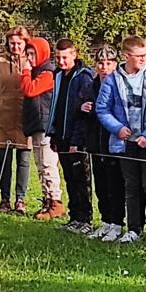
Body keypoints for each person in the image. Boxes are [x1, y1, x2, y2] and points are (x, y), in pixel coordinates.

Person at [95, 36, 146, 244]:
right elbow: (102, 109)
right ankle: (134, 229)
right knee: (131, 186)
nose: (143, 59)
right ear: (126, 56)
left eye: (144, 55)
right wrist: (117, 128)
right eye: (138, 56)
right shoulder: (112, 80)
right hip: (125, 143)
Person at [47, 39, 97, 234]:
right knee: (69, 178)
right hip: (61, 135)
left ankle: (85, 219)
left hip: (76, 138)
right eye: (58, 58)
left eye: (65, 57)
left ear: (74, 55)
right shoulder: (58, 75)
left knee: (81, 179)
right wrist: (53, 133)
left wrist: (77, 141)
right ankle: (74, 217)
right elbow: (57, 106)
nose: (61, 61)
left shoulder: (83, 77)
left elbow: (84, 111)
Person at [0, 27, 32, 214]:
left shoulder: (31, 61)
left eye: (19, 43)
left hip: (25, 119)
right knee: (4, 161)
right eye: (12, 43)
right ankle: (5, 200)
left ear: (25, 43)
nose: (15, 47)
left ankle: (20, 200)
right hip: (4, 118)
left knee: (24, 160)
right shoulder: (0, 61)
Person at [20, 37, 63, 220]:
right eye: (28, 54)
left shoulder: (47, 73)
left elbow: (29, 90)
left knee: (47, 164)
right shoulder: (37, 71)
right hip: (37, 125)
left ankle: (55, 202)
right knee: (40, 164)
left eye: (33, 54)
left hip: (45, 125)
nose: (29, 58)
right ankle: (47, 200)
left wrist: (25, 71)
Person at [85, 46, 126, 243]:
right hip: (96, 142)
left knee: (115, 185)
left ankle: (117, 223)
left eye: (109, 63)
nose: (104, 67)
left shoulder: (120, 84)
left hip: (114, 142)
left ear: (115, 64)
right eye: (101, 63)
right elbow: (79, 106)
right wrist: (82, 107)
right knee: (100, 184)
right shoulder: (91, 85)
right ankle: (105, 220)